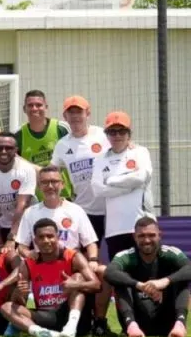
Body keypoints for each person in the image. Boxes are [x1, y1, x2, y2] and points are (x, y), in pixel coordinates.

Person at [0, 218, 100, 337]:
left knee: (77, 277)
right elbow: (20, 303)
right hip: (45, 316)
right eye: (41, 237)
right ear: (35, 240)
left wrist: (74, 285)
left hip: (71, 315)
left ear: (58, 237)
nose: (46, 240)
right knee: (6, 307)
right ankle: (40, 332)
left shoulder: (72, 256)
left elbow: (96, 284)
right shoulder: (28, 264)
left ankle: (70, 328)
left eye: (50, 236)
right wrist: (19, 292)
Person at [105, 217, 190, 337]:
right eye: (141, 236)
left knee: (182, 278)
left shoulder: (170, 253)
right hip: (138, 319)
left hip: (167, 321)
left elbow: (189, 268)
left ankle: (180, 324)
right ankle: (131, 325)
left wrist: (165, 281)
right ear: (134, 237)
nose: (147, 240)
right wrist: (139, 285)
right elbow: (109, 272)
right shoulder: (127, 256)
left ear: (160, 235)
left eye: (151, 235)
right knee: (120, 280)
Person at [91, 111, 154, 261]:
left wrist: (112, 180)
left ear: (129, 134)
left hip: (141, 226)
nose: (117, 136)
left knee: (146, 275)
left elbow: (141, 177)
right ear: (107, 135)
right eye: (112, 132)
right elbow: (97, 190)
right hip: (114, 229)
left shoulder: (140, 152)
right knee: (120, 278)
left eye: (122, 131)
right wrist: (126, 187)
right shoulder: (100, 159)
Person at [50, 95, 109, 240]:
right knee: (87, 256)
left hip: (111, 207)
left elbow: (123, 149)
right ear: (65, 116)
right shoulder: (62, 145)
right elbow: (51, 172)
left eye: (79, 112)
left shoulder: (103, 134)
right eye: (71, 113)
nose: (75, 117)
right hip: (85, 210)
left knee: (117, 253)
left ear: (87, 113)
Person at [0, 133, 37, 244]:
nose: (3, 151)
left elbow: (23, 205)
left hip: (28, 222)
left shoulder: (26, 169)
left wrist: (12, 237)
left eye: (8, 148)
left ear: (16, 150)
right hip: (3, 224)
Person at [14, 90, 70, 174]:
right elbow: (13, 159)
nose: (34, 108)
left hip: (63, 186)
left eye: (39, 105)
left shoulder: (62, 128)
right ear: (24, 109)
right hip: (33, 187)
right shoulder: (18, 134)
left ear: (46, 107)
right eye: (30, 105)